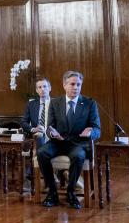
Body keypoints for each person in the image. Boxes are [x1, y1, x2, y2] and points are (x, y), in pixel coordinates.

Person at [37, 70, 101, 210]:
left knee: (79, 156)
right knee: (42, 152)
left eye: (78, 84)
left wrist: (90, 133)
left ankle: (71, 193)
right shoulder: (55, 103)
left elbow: (97, 129)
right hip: (58, 142)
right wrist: (52, 132)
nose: (76, 87)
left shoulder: (89, 103)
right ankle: (53, 193)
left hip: (78, 143)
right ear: (64, 85)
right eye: (72, 84)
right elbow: (49, 127)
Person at [21, 77, 52, 148]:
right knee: (40, 138)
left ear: (50, 88)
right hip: (38, 134)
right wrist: (33, 129)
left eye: (45, 86)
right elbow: (24, 122)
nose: (43, 89)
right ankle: (41, 156)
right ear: (37, 90)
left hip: (52, 133)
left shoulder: (57, 104)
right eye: (40, 87)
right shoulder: (31, 104)